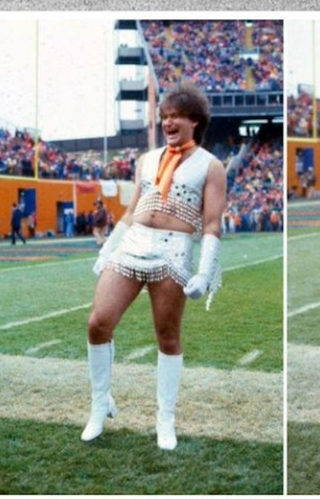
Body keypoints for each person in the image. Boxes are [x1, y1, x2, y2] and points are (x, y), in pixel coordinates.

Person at [83, 83, 227, 450]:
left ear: (194, 120)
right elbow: (132, 211)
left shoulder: (211, 166)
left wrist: (204, 272)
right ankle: (101, 404)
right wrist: (109, 248)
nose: (168, 122)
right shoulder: (146, 160)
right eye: (164, 116)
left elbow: (211, 224)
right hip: (133, 244)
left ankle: (165, 419)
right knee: (98, 323)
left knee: (168, 337)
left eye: (175, 115)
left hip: (172, 252)